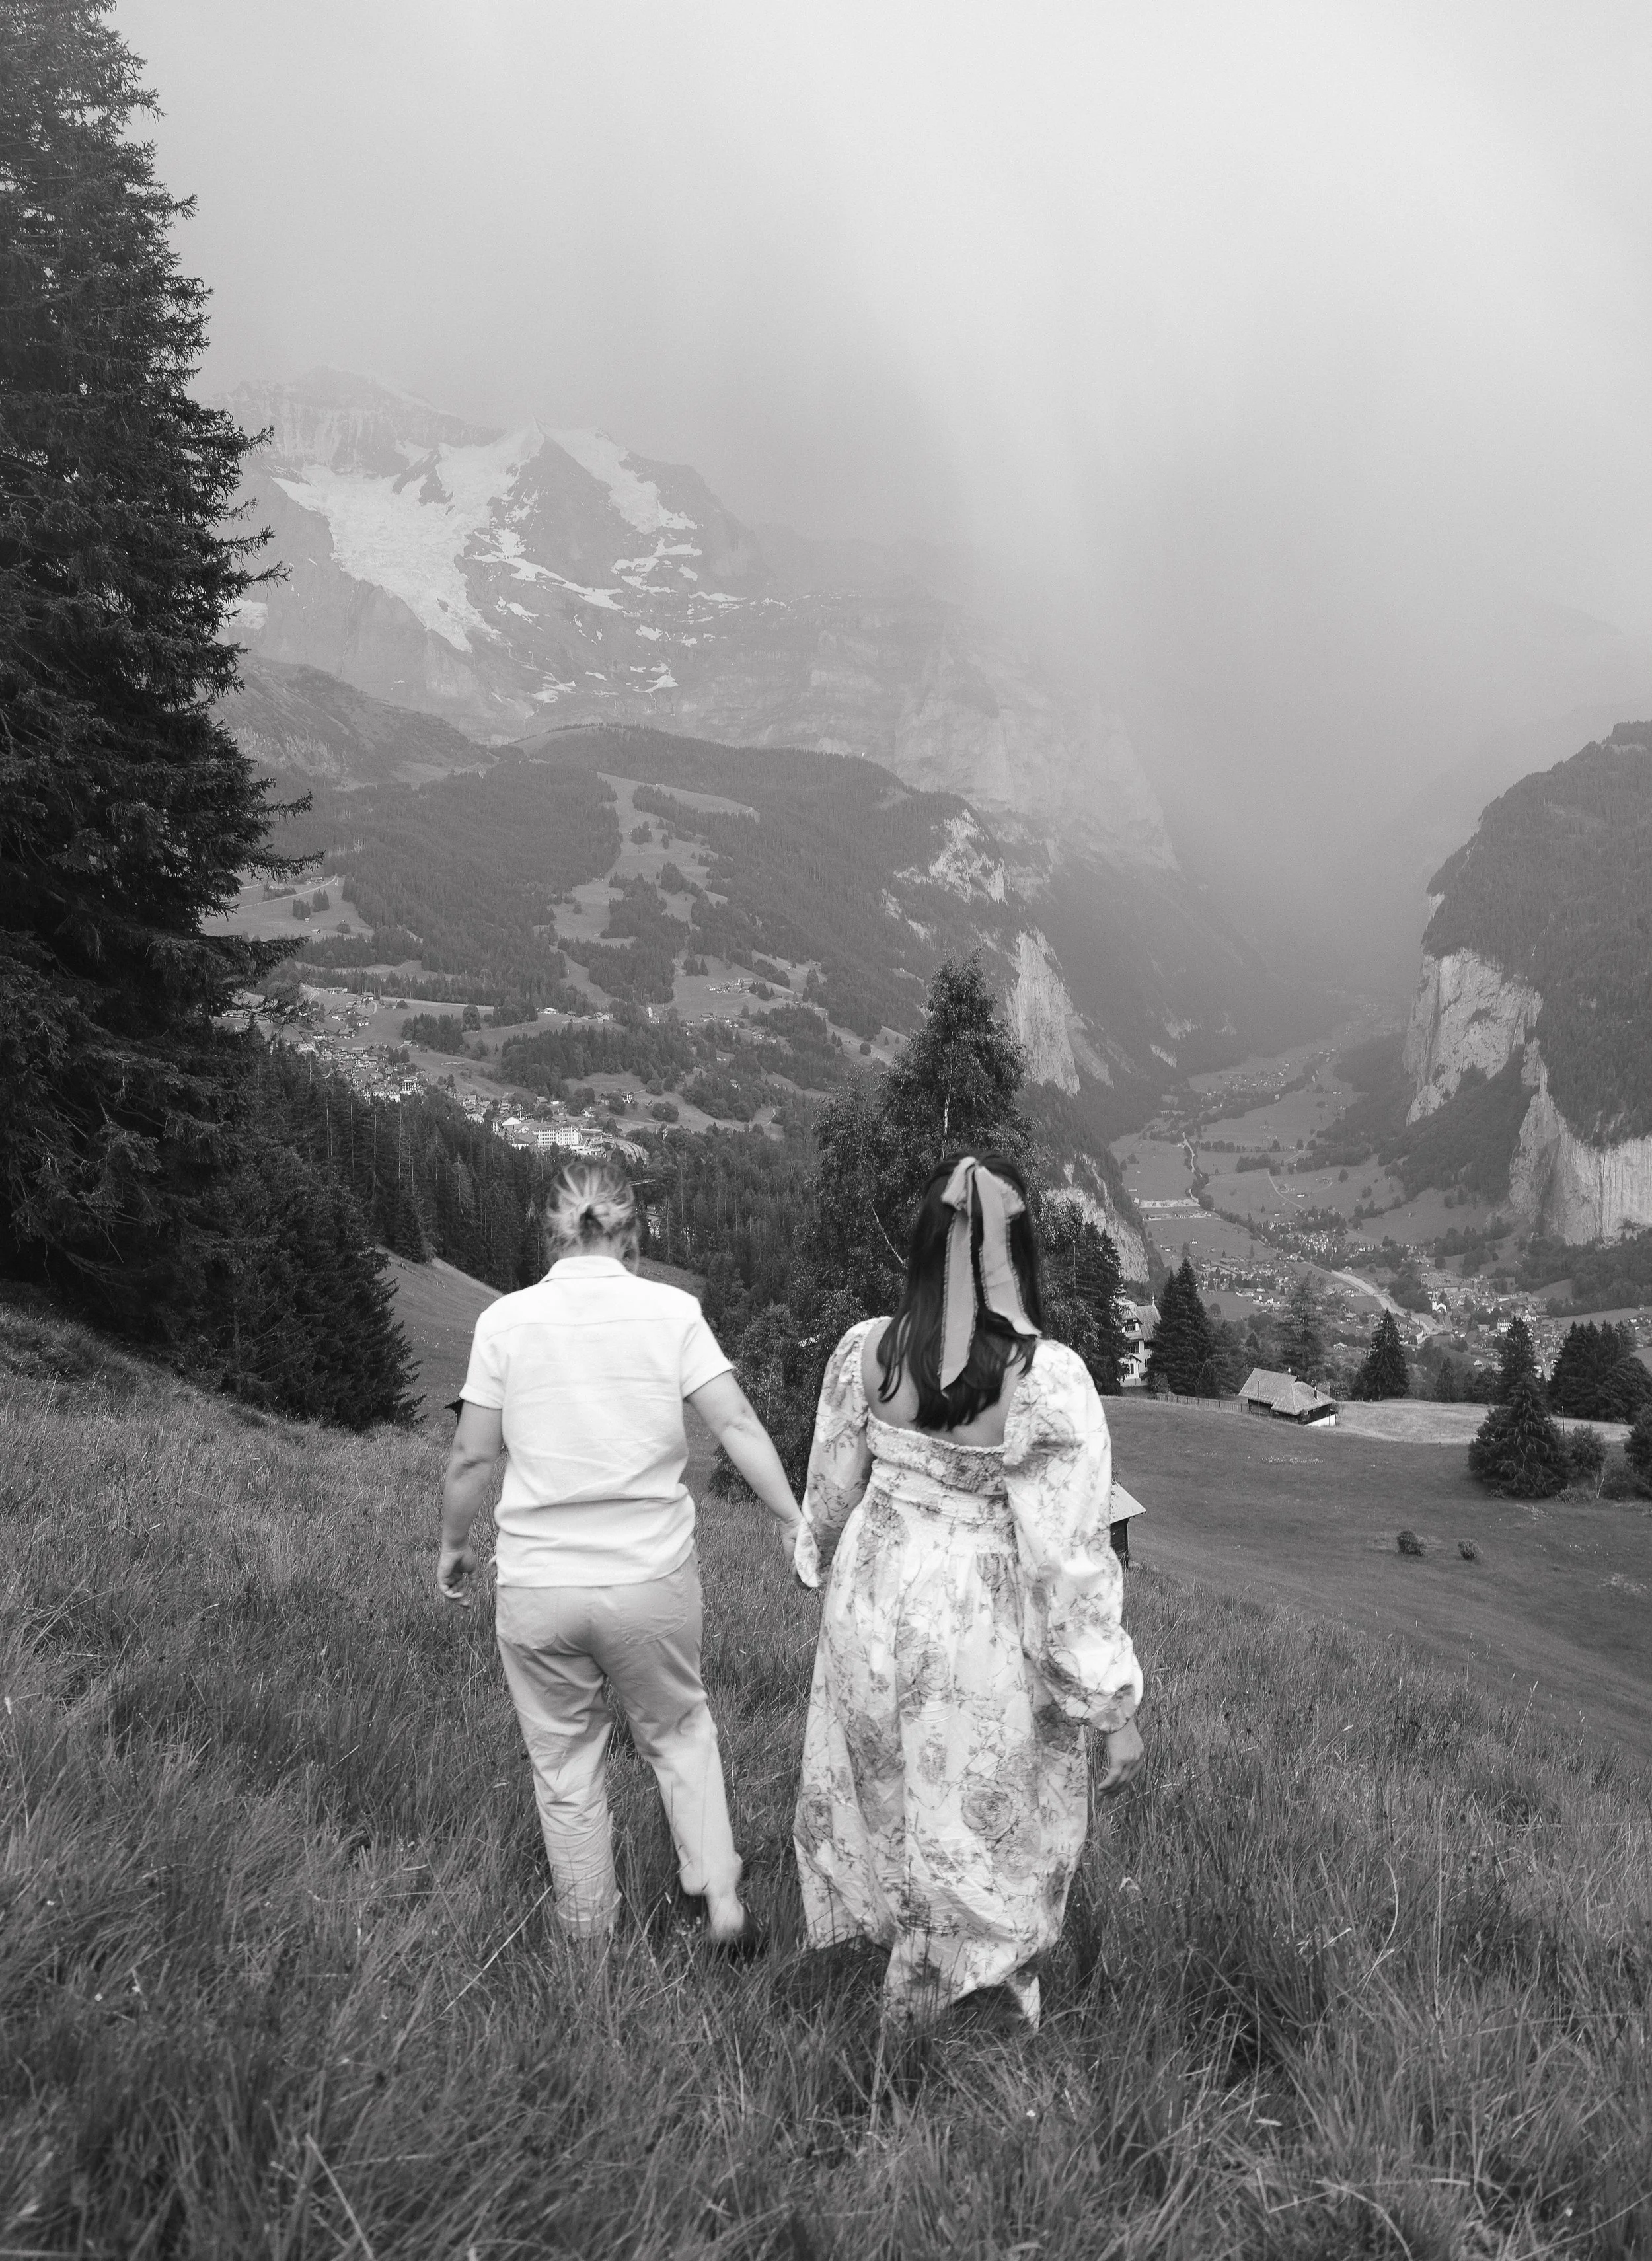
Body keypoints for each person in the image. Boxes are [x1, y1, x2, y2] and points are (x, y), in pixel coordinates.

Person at [792, 1152, 1144, 2026]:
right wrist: (1112, 1706)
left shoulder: (868, 1352)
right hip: (977, 1625)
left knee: (888, 1782)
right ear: (1020, 1258)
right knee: (978, 1806)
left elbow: (829, 1497)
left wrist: (824, 1567)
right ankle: (967, 2009)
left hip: (871, 1606)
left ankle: (900, 1963)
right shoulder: (1044, 1379)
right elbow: (1070, 1558)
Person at [439, 1161, 801, 1949]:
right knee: (679, 1732)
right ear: (630, 1240)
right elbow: (735, 1423)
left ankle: (589, 1938)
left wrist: (455, 1544)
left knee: (565, 1764)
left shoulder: (505, 1320)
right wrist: (789, 1515)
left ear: (554, 1238)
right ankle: (720, 1897)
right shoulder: (672, 1311)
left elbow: (471, 1457)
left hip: (539, 1581)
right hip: (650, 1577)